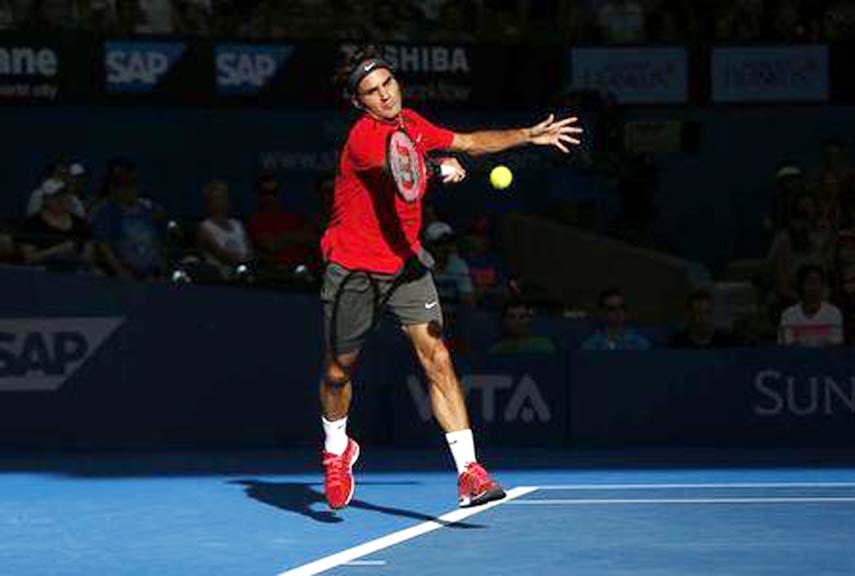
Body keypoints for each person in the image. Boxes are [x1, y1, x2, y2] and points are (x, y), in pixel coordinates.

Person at [318, 46, 582, 510]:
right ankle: (337, 448)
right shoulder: (364, 138)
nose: (384, 97)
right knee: (338, 374)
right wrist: (439, 165)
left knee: (437, 357)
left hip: (406, 263)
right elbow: (403, 170)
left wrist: (526, 134)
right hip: (355, 268)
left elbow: (468, 142)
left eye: (388, 85)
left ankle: (470, 473)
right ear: (359, 103)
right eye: (371, 93)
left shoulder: (413, 122)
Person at [778, 264, 843, 347]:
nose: (813, 287)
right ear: (801, 286)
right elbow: (786, 346)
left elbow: (836, 344)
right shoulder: (788, 315)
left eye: (816, 282)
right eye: (809, 282)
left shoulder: (834, 313)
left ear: (823, 285)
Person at [581, 288, 651, 350]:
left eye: (622, 307)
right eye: (612, 309)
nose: (619, 312)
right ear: (602, 313)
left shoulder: (639, 344)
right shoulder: (592, 346)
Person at [670, 289, 738, 349]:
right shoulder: (677, 344)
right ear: (689, 315)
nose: (703, 318)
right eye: (697, 313)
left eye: (707, 312)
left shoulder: (726, 342)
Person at [488, 299, 557, 355]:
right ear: (505, 320)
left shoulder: (544, 346)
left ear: (529, 320)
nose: (517, 321)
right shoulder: (497, 350)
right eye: (512, 317)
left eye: (522, 317)